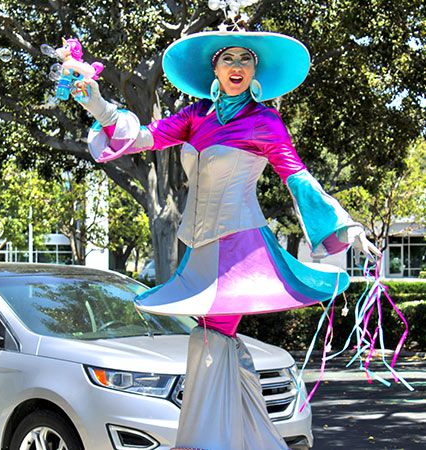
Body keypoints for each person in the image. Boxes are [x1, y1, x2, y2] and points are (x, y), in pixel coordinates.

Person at [74, 31, 380, 450]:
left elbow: (296, 175)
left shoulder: (264, 121)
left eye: (245, 60)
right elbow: (144, 137)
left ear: (255, 70)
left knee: (213, 339)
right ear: (214, 69)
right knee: (209, 340)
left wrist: (345, 226)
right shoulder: (196, 116)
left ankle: (208, 441)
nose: (237, 67)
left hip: (240, 247)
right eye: (228, 59)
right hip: (200, 247)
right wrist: (97, 103)